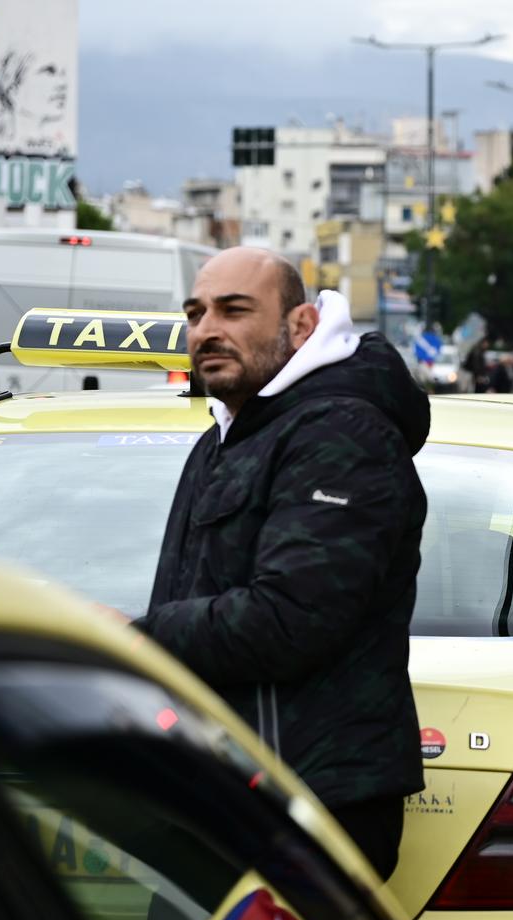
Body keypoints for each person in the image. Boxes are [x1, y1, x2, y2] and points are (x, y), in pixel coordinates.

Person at [136, 247, 428, 881]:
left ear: (300, 326)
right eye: (196, 312)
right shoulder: (231, 435)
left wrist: (130, 638)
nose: (207, 329)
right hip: (229, 787)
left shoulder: (340, 435)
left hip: (305, 803)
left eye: (234, 310)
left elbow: (291, 617)